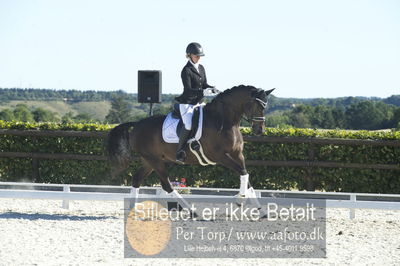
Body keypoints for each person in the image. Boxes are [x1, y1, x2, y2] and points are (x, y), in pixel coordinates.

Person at [175, 42, 219, 164]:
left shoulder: (201, 68)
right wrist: (203, 91)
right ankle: (180, 151)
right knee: (188, 125)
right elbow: (188, 90)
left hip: (199, 103)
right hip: (187, 104)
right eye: (196, 55)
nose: (198, 57)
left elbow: (204, 84)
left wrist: (211, 88)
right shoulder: (186, 70)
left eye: (199, 55)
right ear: (189, 55)